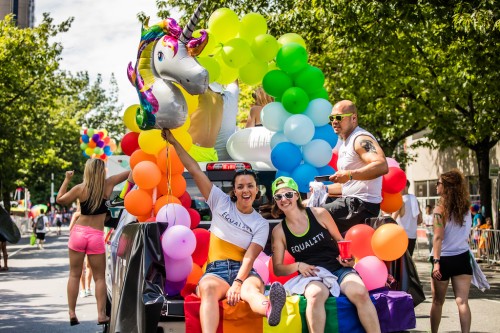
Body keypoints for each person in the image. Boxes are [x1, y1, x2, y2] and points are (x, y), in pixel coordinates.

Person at [161, 128, 286, 331]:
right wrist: (174, 142)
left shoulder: (260, 223)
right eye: (241, 186)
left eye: (250, 186)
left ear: (257, 190)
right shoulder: (220, 201)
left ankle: (270, 308)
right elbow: (194, 170)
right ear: (234, 191)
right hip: (215, 271)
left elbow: (250, 257)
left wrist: (238, 282)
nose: (246, 189)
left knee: (252, 291)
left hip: (244, 271)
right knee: (208, 289)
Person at [270, 176, 381, 333]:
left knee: (360, 292)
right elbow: (278, 269)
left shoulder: (320, 214)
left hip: (338, 268)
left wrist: (349, 259)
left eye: (288, 194)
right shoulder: (279, 231)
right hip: (312, 274)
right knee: (315, 295)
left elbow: (340, 241)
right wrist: (298, 266)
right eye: (278, 196)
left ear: (296, 195)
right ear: (275, 200)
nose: (284, 199)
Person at [56, 159, 130, 326]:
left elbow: (60, 199)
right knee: (99, 278)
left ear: (87, 171)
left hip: (79, 233)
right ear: (102, 170)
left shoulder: (80, 188)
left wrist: (67, 179)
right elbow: (131, 173)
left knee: (74, 274)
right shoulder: (108, 184)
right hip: (96, 235)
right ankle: (101, 315)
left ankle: (72, 312)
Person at [321, 100, 389, 234]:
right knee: (306, 207)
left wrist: (349, 174)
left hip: (362, 205)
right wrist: (322, 188)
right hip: (352, 203)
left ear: (353, 118)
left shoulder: (360, 139)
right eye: (332, 118)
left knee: (313, 215)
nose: (334, 121)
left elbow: (381, 165)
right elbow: (349, 184)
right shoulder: (345, 143)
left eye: (339, 117)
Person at [430, 169, 472, 333]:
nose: (436, 186)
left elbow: (438, 238)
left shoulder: (440, 210)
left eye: (438, 183)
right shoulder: (466, 208)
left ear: (446, 187)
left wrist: (436, 263)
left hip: (444, 259)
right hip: (462, 257)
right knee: (462, 302)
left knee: (437, 302)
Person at [187, 81, 239, 162]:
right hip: (211, 154)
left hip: (190, 153)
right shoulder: (221, 100)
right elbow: (234, 83)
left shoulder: (195, 96)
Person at [392, 181, 422, 256]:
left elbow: (392, 220)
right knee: (408, 261)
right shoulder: (415, 200)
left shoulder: (400, 200)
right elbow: (420, 220)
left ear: (404, 187)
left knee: (399, 262)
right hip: (412, 236)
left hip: (400, 235)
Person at [214, 81, 239, 161]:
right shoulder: (231, 98)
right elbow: (234, 82)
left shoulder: (199, 104)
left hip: (202, 159)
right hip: (229, 158)